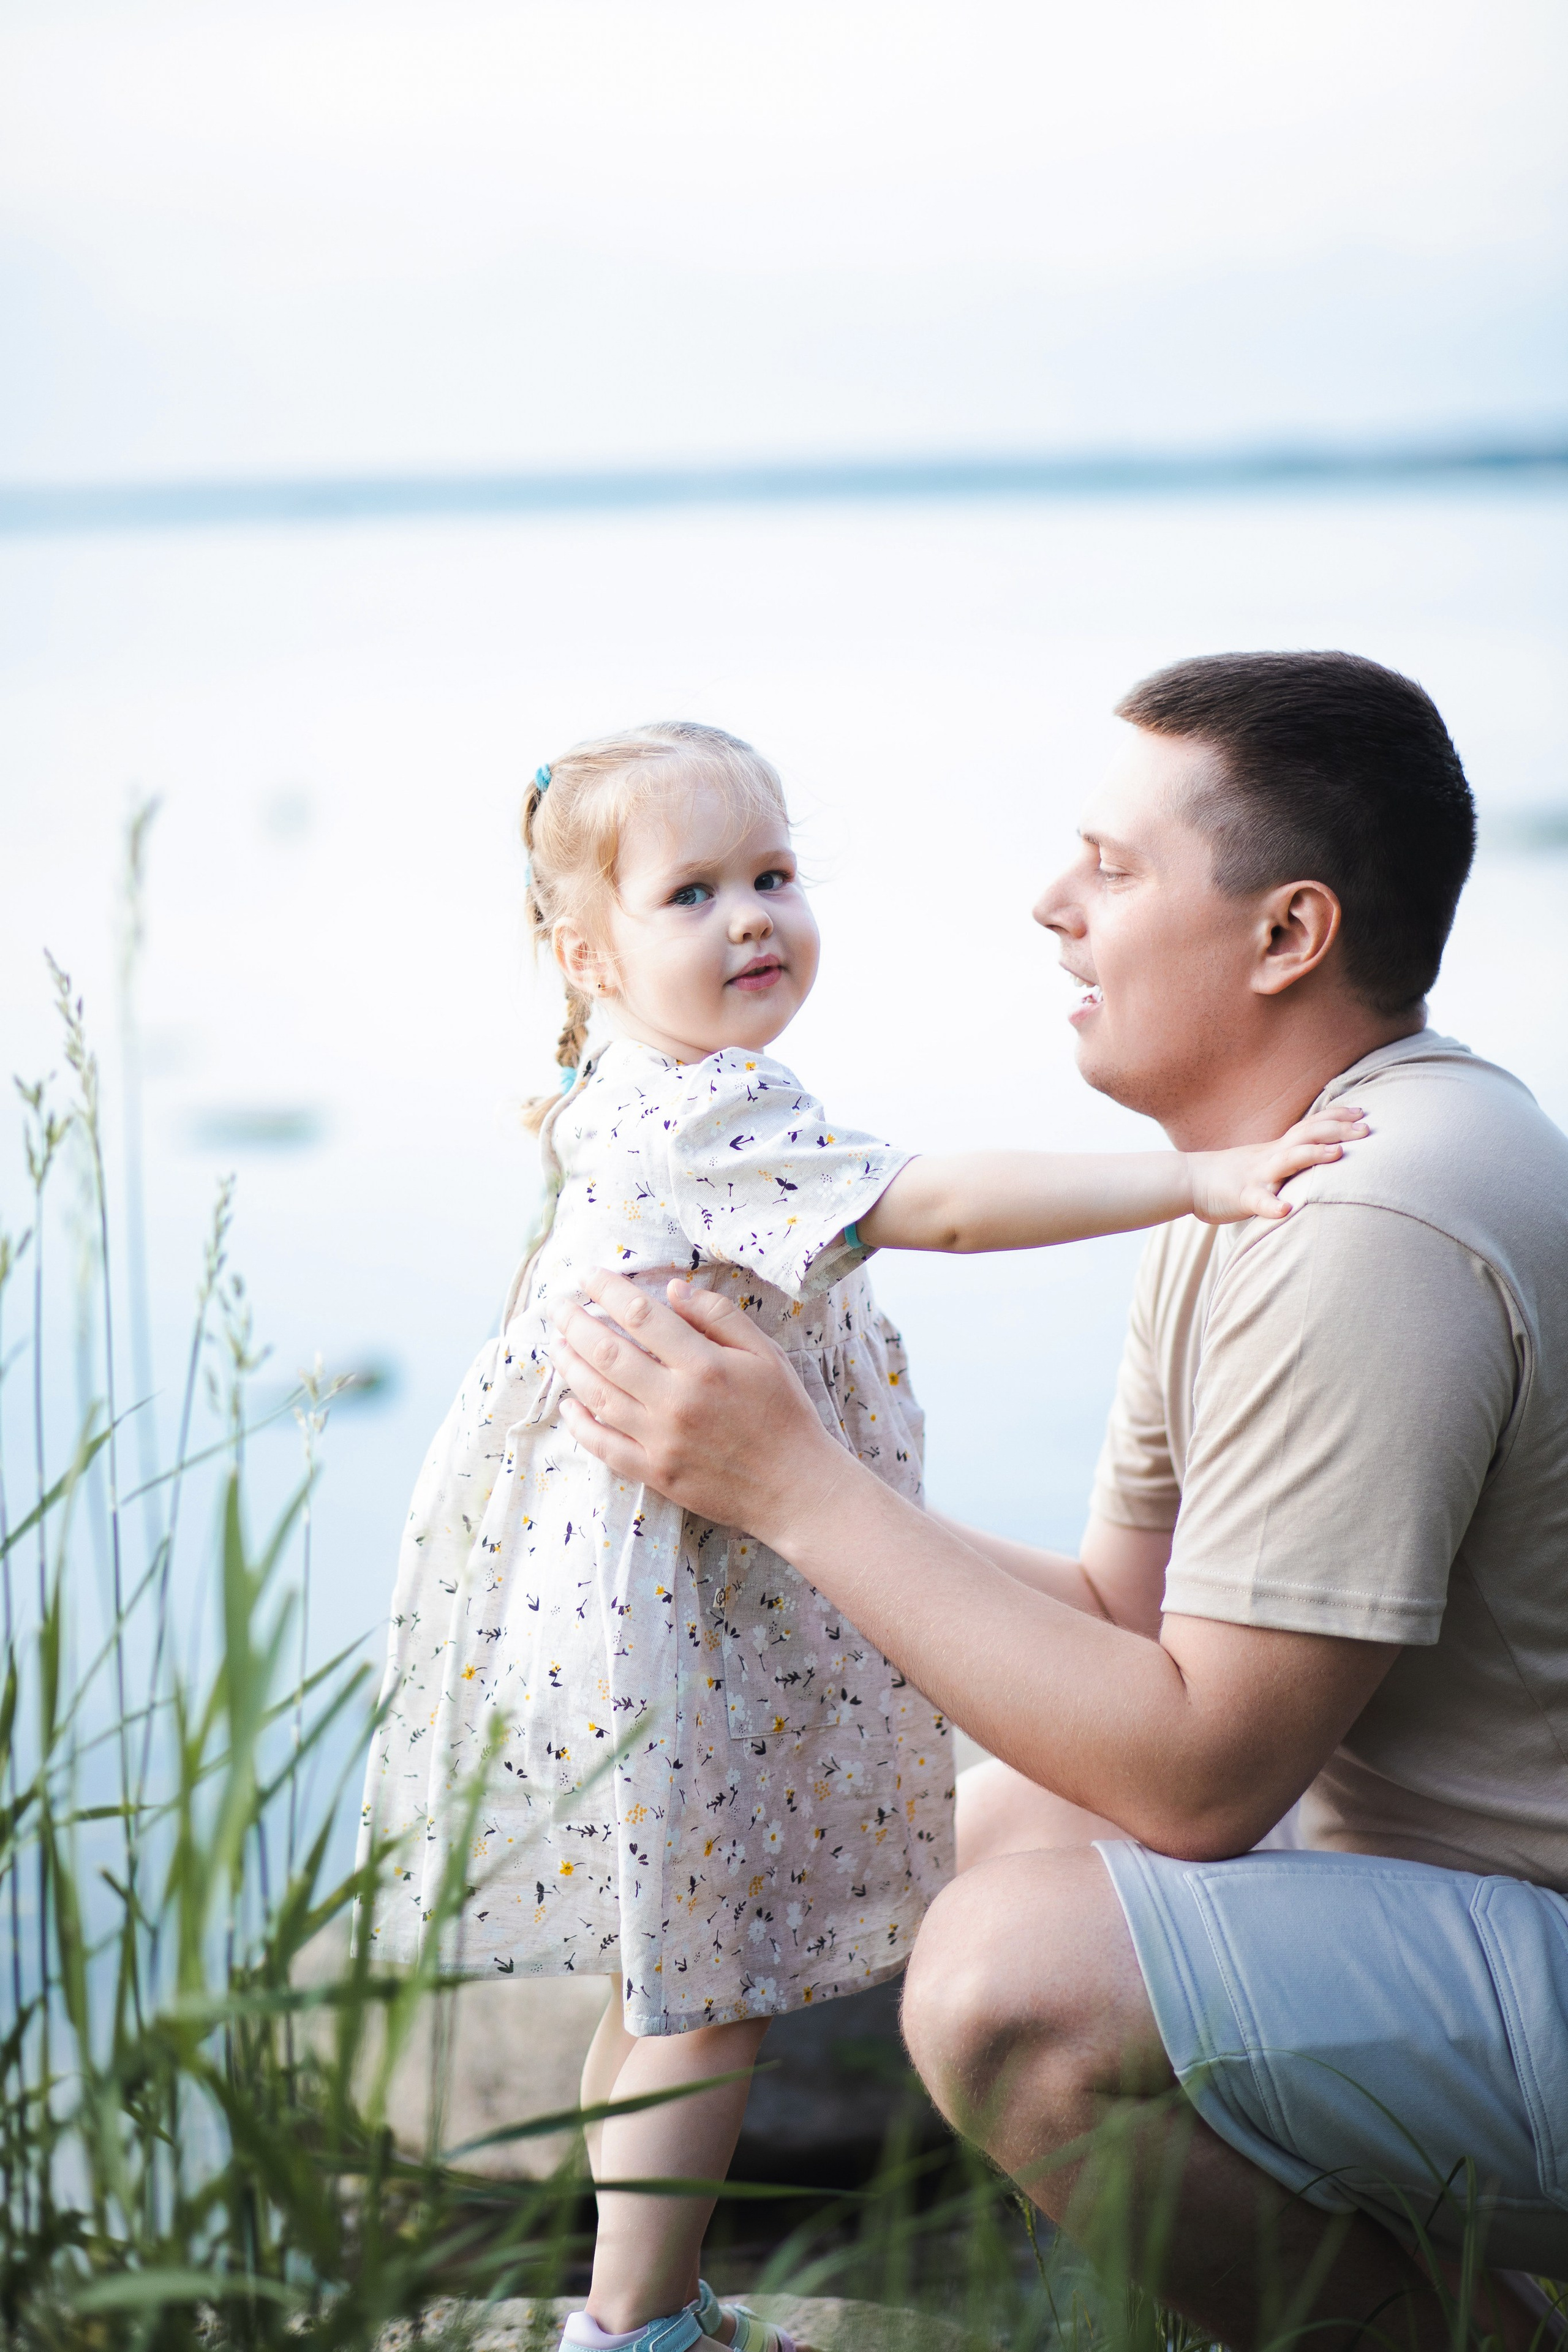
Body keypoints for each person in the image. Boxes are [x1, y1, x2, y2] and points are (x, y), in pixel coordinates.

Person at [545, 656, 1568, 2351]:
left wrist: (805, 1495)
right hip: (1472, 1906)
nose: (1049, 905)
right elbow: (1123, 1626)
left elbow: (1197, 1778)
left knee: (1014, 1986)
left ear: (1286, 935)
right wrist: (746, 1502)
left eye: (1111, 866)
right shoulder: (1259, 1174)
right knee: (996, 1826)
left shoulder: (1371, 1229)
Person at [360, 717, 1359, 2352]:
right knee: (713, 2001)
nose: (753, 917)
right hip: (672, 1613)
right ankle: (641, 2327)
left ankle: (626, 2309)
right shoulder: (711, 1112)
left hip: (629, 1602)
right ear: (586, 949)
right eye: (694, 893)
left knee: (659, 1985)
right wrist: (1199, 1177)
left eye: (774, 875)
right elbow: (942, 1204)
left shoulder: (631, 1089)